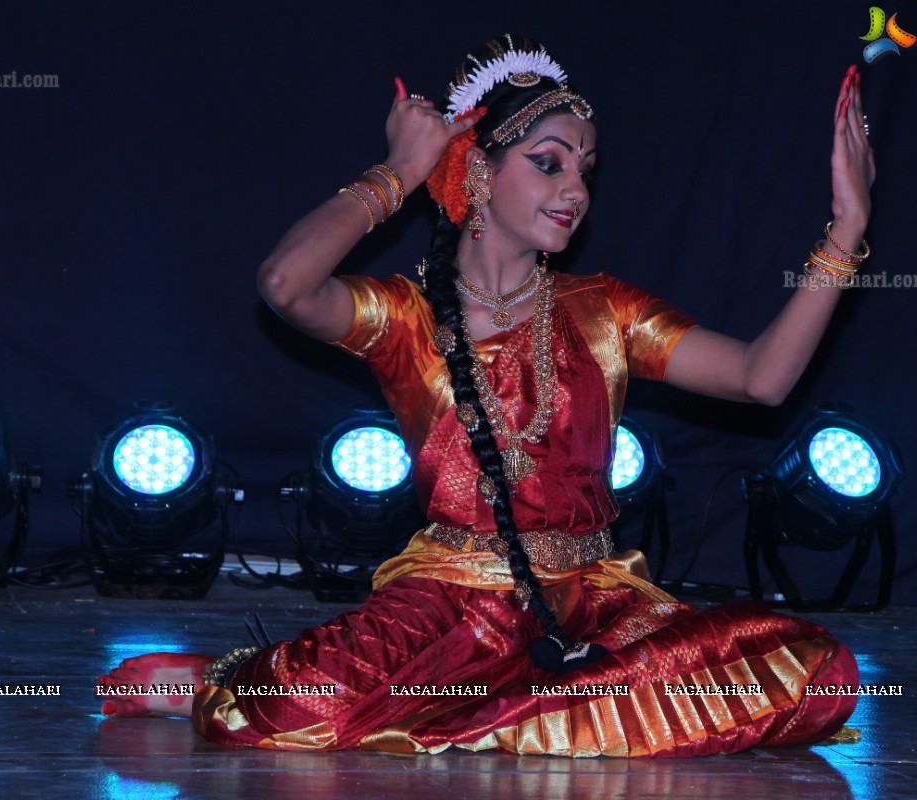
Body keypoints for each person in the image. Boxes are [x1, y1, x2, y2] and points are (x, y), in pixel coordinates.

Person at [99, 34, 874, 757]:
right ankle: (253, 677)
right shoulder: (404, 317)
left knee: (819, 672)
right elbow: (284, 284)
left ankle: (482, 706)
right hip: (448, 603)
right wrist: (400, 171)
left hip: (590, 605)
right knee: (295, 709)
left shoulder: (605, 312)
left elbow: (760, 377)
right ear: (476, 168)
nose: (576, 189)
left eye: (585, 171)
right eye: (550, 163)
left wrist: (846, 229)